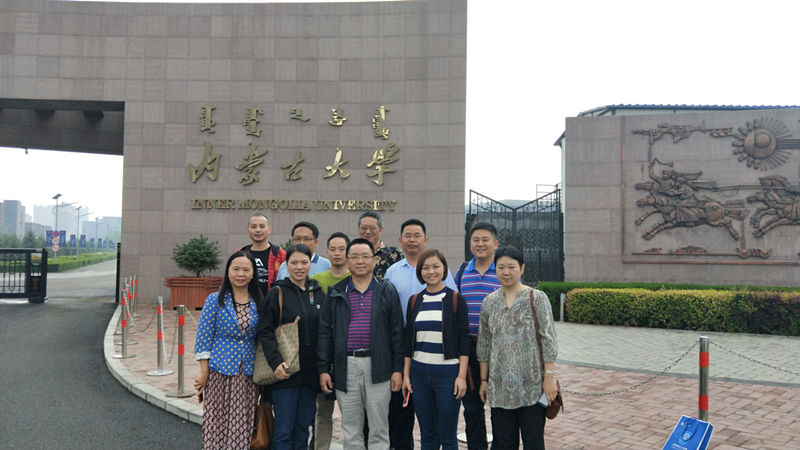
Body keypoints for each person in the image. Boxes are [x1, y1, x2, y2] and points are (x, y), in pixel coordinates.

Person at [317, 238, 404, 450]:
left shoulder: (386, 290)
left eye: (365, 256)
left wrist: (397, 369)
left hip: (379, 365)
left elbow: (396, 333)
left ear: (374, 260)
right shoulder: (336, 293)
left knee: (379, 428)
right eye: (354, 257)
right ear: (347, 262)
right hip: (346, 366)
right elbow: (325, 333)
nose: (360, 261)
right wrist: (323, 369)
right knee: (351, 428)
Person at [383, 218, 457, 450]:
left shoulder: (440, 270)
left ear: (425, 240)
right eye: (407, 235)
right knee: (402, 413)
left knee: (438, 419)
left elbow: (453, 309)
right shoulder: (392, 272)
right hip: (403, 346)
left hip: (435, 347)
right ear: (400, 240)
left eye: (417, 235)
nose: (412, 240)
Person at [477, 247, 558, 450]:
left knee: (533, 442)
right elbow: (484, 344)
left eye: (511, 267)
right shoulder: (489, 302)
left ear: (522, 268)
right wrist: (484, 381)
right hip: (499, 388)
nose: (506, 272)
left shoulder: (537, 298)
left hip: (532, 386)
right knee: (503, 443)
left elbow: (549, 339)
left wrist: (549, 377)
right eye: (501, 267)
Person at [258, 244, 326, 450]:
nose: (299, 267)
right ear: (286, 265)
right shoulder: (277, 292)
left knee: (303, 428)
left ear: (310, 264)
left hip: (310, 373)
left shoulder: (317, 292)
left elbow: (325, 330)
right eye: (294, 262)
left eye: (304, 262)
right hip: (285, 373)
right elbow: (265, 330)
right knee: (284, 430)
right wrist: (275, 362)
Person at [401, 249, 469, 450]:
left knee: (448, 436)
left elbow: (463, 340)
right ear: (420, 272)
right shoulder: (415, 300)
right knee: (427, 434)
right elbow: (409, 341)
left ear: (444, 269)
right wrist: (406, 375)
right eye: (426, 268)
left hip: (447, 376)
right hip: (419, 376)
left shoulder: (455, 299)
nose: (431, 272)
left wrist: (462, 376)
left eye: (436, 266)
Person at [194, 251, 262, 450]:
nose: (241, 274)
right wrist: (204, 371)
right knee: (216, 419)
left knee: (242, 420)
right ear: (228, 272)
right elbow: (203, 338)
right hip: (219, 371)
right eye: (236, 269)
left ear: (253, 274)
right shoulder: (215, 300)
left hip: (248, 373)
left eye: (246, 270)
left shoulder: (259, 301)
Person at [454, 222, 500, 450]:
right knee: (472, 407)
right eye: (476, 240)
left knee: (501, 406)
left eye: (485, 239)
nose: (480, 244)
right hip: (469, 349)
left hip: (499, 350)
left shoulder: (503, 271)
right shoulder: (462, 271)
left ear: (495, 243)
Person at [308, 231, 350, 450]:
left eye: (342, 249)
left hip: (348, 354)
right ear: (326, 252)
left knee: (351, 414)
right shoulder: (315, 281)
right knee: (323, 412)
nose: (337, 253)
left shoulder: (356, 279)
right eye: (332, 249)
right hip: (323, 351)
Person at [239, 213, 287, 297]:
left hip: (273, 302)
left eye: (262, 226)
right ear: (248, 230)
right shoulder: (240, 254)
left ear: (269, 229)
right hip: (245, 301)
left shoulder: (280, 255)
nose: (258, 230)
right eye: (253, 227)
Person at [357, 211, 403, 279]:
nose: (368, 232)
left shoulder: (395, 253)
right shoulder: (351, 253)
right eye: (364, 228)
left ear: (380, 230)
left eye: (372, 228)